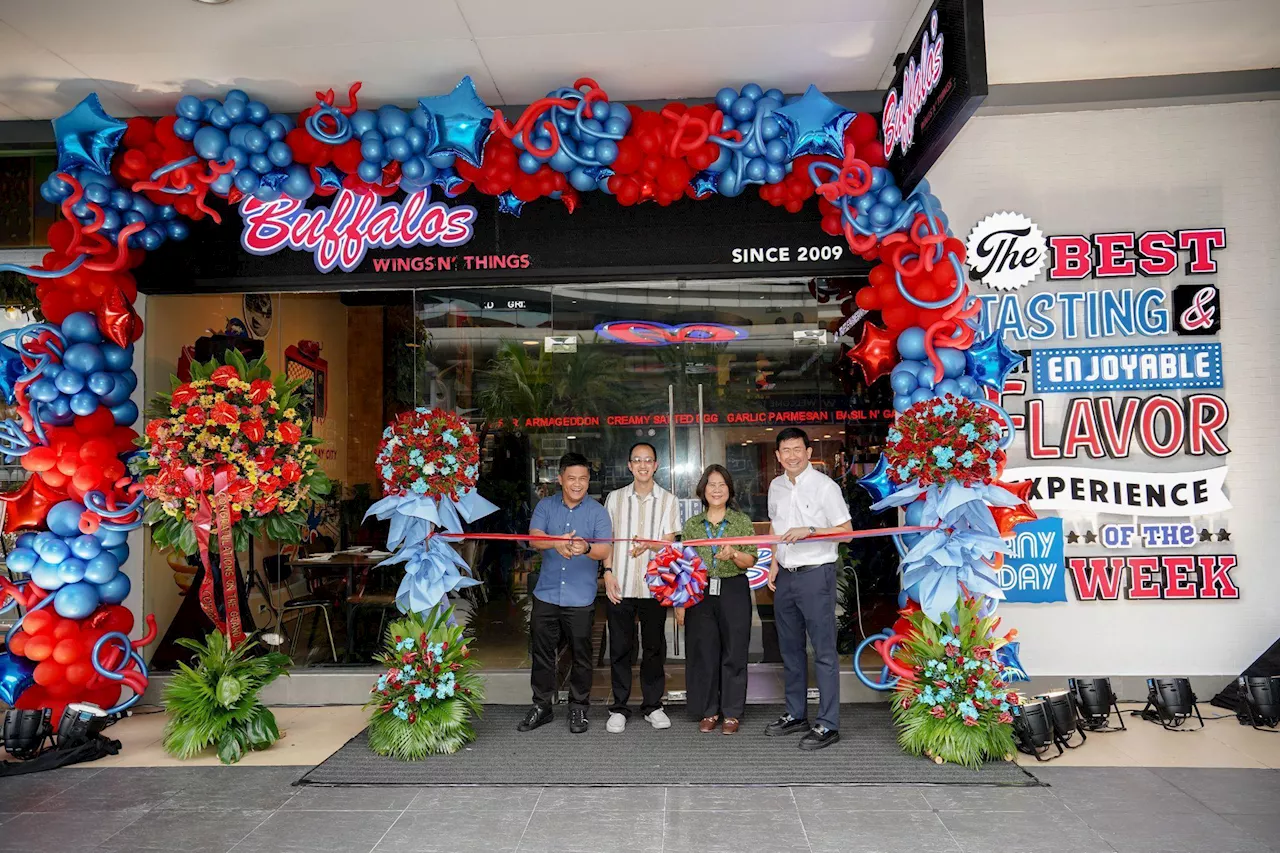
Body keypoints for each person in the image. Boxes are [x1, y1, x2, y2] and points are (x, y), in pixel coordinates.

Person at [765, 428, 852, 750]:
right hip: (785, 575)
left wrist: (811, 531)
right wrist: (774, 562)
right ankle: (795, 713)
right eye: (785, 450)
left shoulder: (825, 487)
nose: (791, 455)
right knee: (790, 650)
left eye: (796, 449)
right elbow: (776, 527)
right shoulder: (776, 486)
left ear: (808, 451)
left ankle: (828, 724)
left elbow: (847, 532)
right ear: (778, 455)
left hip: (817, 574)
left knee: (824, 652)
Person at [519, 452, 612, 734]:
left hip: (580, 597)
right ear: (560, 479)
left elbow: (605, 549)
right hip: (546, 594)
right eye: (571, 478)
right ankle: (542, 706)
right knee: (542, 653)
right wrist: (555, 542)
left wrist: (584, 548)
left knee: (581, 656)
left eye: (583, 479)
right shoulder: (546, 506)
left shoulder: (597, 511)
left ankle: (578, 709)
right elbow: (534, 538)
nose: (577, 484)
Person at [602, 442, 680, 733]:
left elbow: (670, 543)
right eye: (638, 460)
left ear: (656, 465)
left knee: (653, 648)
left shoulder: (668, 500)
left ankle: (652, 705)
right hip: (619, 582)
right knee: (620, 648)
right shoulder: (615, 498)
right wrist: (608, 572)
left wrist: (651, 545)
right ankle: (619, 707)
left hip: (654, 585)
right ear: (630, 465)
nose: (643, 465)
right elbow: (606, 539)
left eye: (648, 460)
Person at [679, 465, 757, 735]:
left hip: (733, 589)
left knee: (734, 650)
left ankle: (732, 713)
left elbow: (750, 561)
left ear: (729, 489)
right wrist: (681, 602)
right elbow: (684, 567)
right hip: (700, 592)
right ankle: (709, 711)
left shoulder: (741, 522)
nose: (716, 489)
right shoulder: (691, 526)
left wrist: (734, 554)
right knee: (704, 653)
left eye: (722, 484)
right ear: (703, 490)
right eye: (711, 484)